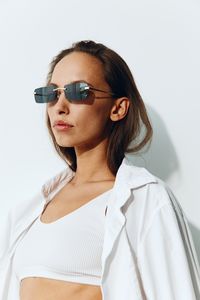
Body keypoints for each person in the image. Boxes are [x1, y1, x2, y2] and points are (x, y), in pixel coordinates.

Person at [0, 40, 200, 300]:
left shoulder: (147, 201)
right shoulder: (28, 212)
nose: (59, 106)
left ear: (118, 108)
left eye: (78, 92)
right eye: (52, 93)